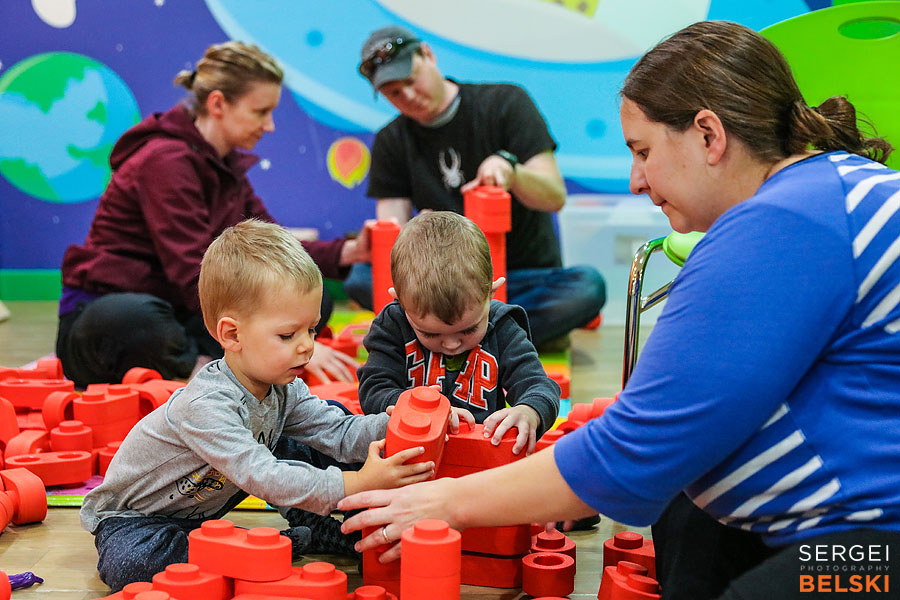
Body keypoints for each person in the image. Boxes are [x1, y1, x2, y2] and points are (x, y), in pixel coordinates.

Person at [337, 20, 900, 600]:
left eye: (643, 151)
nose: (635, 180)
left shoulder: (779, 227)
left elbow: (628, 455)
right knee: (689, 516)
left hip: (872, 548)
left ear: (708, 135)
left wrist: (444, 501)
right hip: (836, 513)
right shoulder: (827, 190)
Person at [79, 219, 435, 592]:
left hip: (206, 511)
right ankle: (261, 547)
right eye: (287, 335)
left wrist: (396, 425)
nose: (307, 346)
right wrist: (355, 483)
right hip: (138, 521)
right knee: (130, 565)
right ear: (232, 334)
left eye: (311, 330)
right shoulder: (206, 405)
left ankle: (329, 529)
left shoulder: (283, 388)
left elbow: (339, 433)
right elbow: (261, 475)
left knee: (313, 436)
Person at [57, 41, 368, 388]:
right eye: (260, 112)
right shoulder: (164, 161)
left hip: (180, 311)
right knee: (139, 321)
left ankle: (214, 366)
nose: (269, 126)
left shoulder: (225, 165)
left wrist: (350, 252)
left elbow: (275, 248)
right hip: (109, 319)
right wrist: (297, 341)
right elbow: (193, 274)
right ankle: (210, 377)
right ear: (218, 103)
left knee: (310, 292)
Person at [344, 25, 605, 351]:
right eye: (394, 93)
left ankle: (442, 335)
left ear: (428, 54)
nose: (408, 96)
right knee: (359, 278)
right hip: (445, 285)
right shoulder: (392, 139)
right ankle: (489, 335)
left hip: (517, 276)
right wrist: (416, 233)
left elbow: (554, 196)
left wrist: (511, 172)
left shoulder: (505, 102)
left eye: (410, 81)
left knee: (587, 287)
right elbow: (393, 234)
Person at [358, 211, 560, 455]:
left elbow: (538, 385)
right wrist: (418, 409)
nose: (452, 344)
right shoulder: (393, 325)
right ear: (400, 302)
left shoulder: (503, 327)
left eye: (469, 329)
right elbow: (374, 389)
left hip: (483, 459)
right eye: (431, 334)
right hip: (414, 455)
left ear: (491, 293)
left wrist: (530, 410)